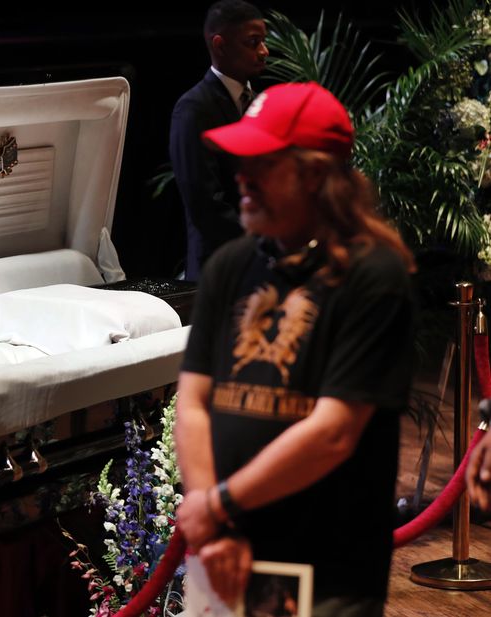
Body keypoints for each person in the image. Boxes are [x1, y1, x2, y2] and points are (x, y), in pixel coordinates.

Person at [174, 82, 415, 617]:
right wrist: (216, 527)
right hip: (224, 552)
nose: (241, 177)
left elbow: (332, 432)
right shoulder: (230, 266)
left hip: (326, 576)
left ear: (314, 174)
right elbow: (192, 404)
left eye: (261, 162)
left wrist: (216, 505)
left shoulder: (373, 275)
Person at [169, 0, 268, 281]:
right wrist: (263, 240)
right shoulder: (193, 108)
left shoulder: (260, 101)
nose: (264, 51)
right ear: (220, 45)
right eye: (253, 42)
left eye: (263, 41)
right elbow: (204, 203)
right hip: (218, 268)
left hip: (259, 263)